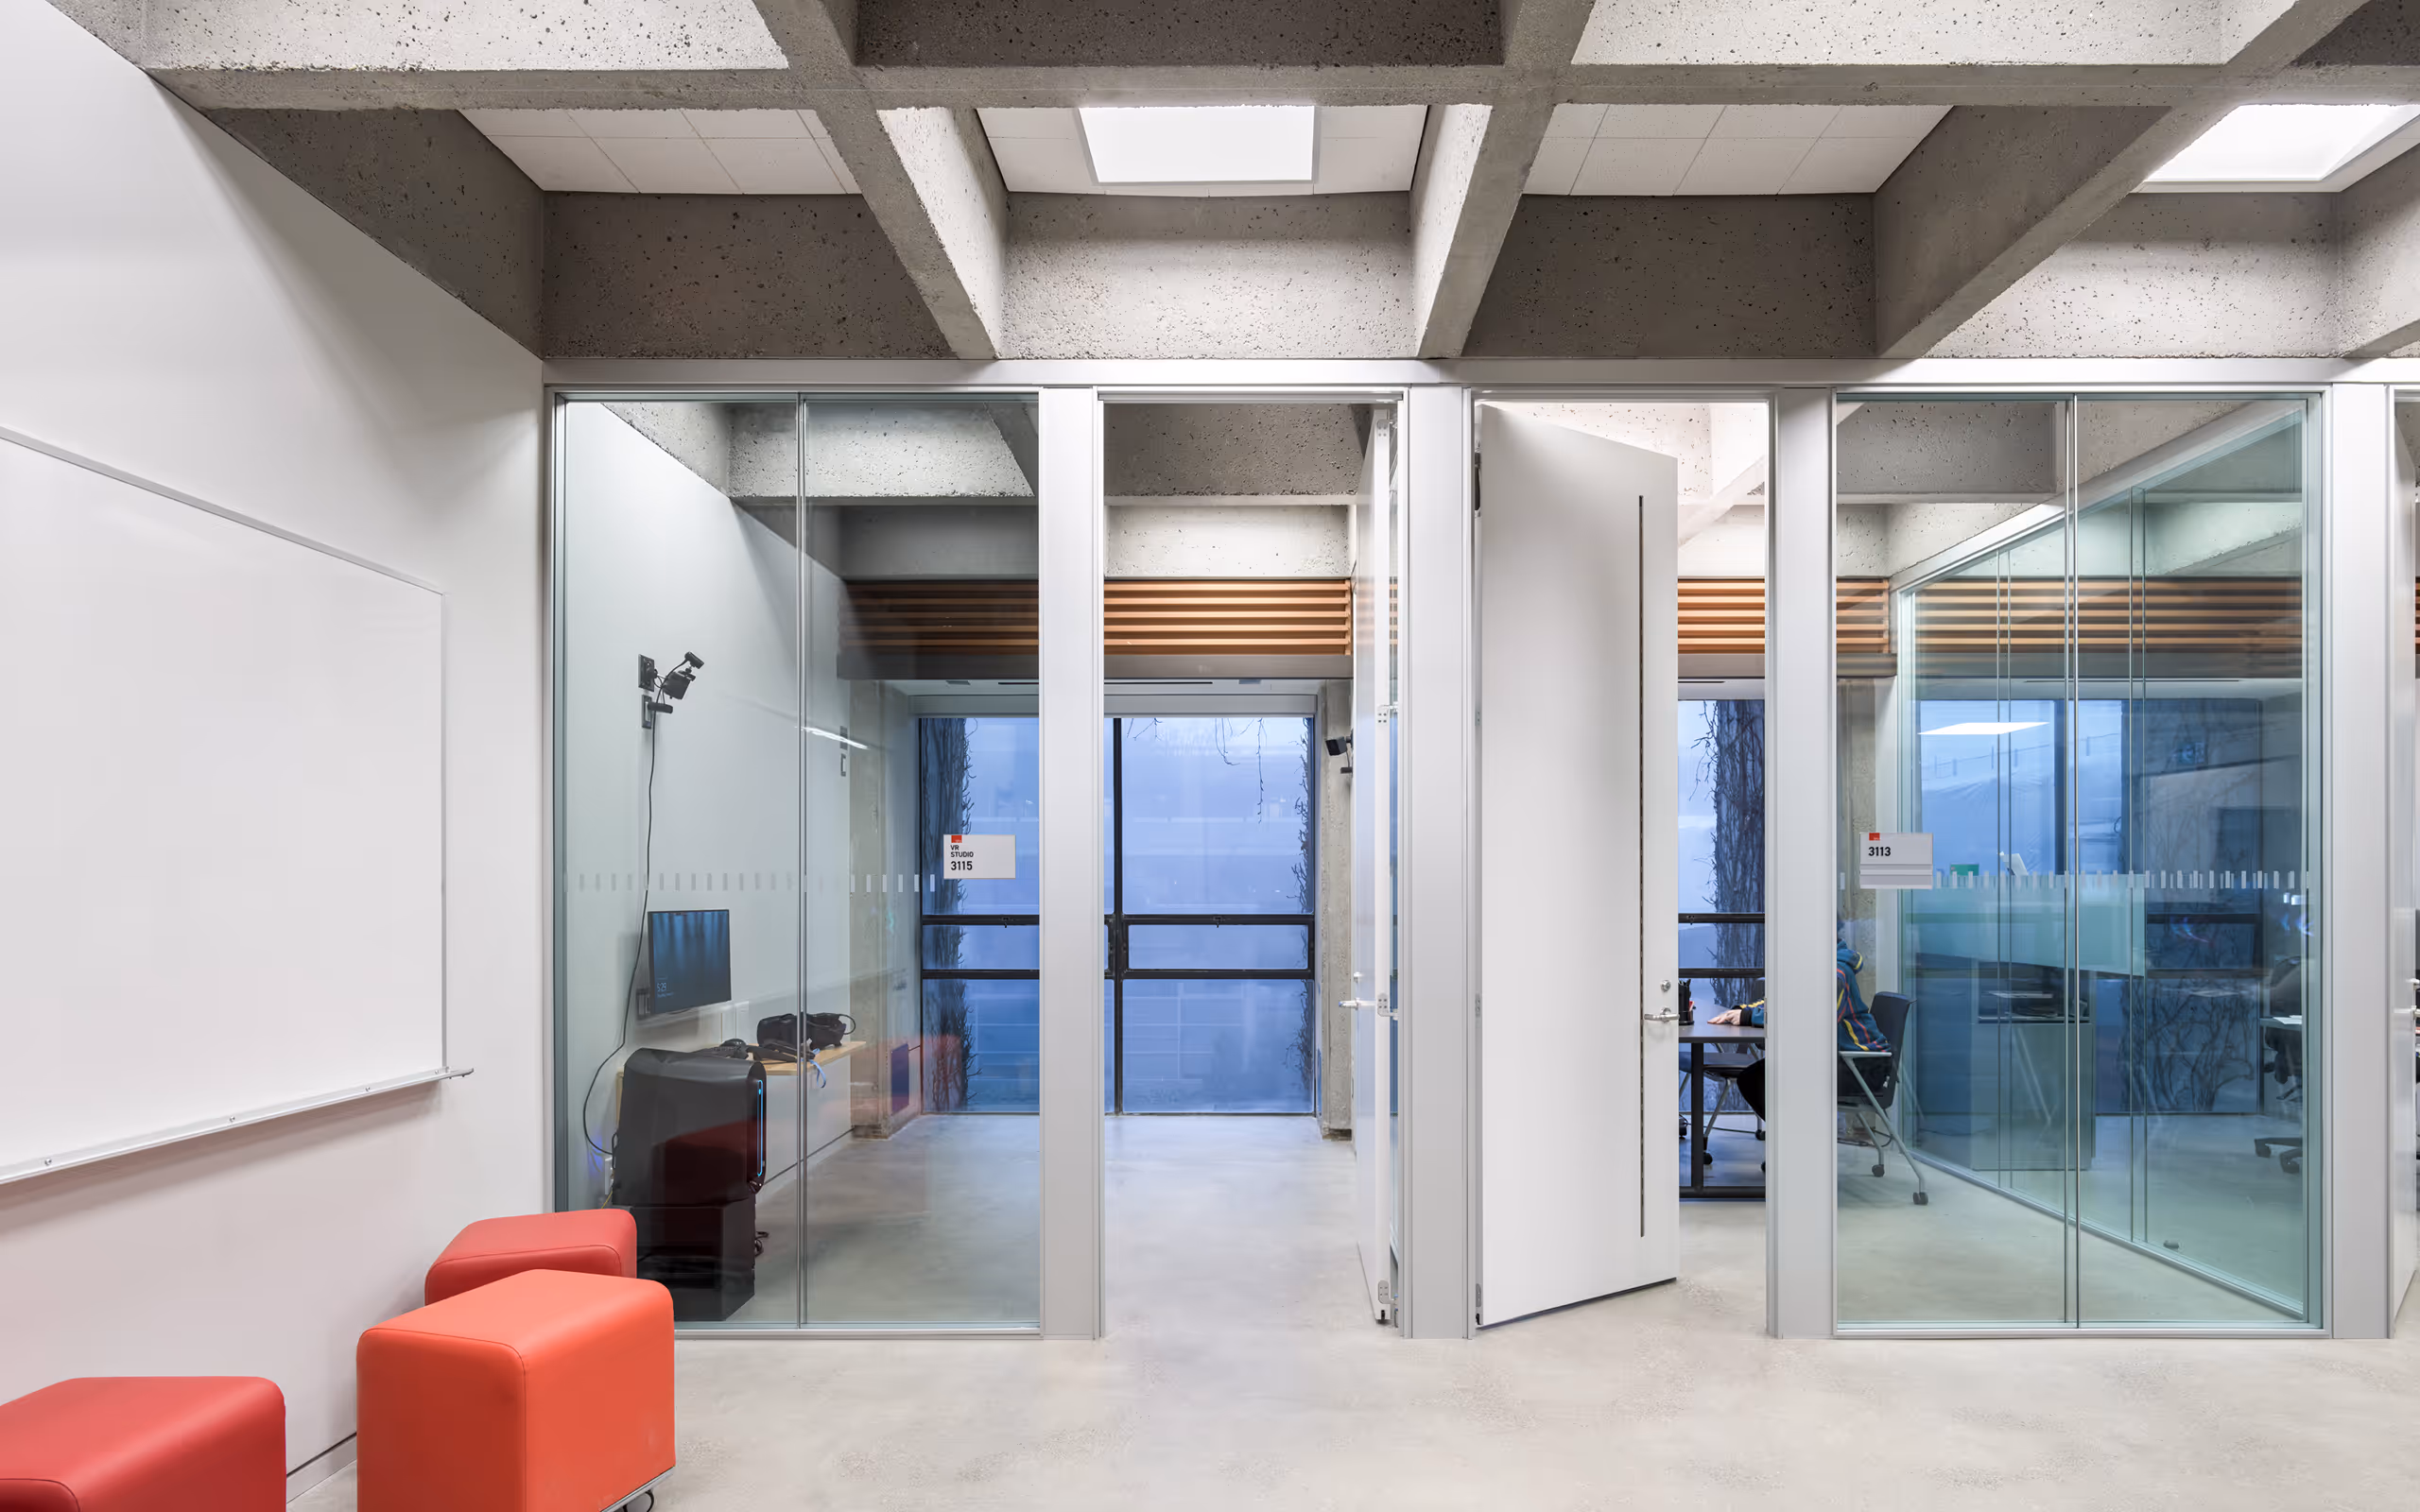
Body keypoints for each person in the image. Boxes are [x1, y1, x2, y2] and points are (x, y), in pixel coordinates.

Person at [1708, 940, 1890, 1124]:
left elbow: (1812, 1017)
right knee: (1754, 1078)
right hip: (1838, 1058)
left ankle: (1795, 1141)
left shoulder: (1837, 974)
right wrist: (1743, 1011)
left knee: (1760, 1080)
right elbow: (1779, 1001)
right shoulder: (1814, 967)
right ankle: (1792, 1140)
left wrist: (1750, 1017)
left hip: (1861, 1065)